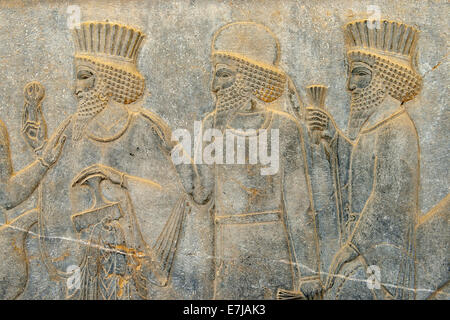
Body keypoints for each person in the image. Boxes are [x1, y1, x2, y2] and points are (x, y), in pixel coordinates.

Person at [192, 22, 321, 299]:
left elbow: (299, 207)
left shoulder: (284, 128)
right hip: (229, 250)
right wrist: (174, 153)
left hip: (273, 248)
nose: (214, 86)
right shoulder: (211, 126)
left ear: (249, 78)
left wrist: (309, 273)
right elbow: (202, 194)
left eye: (223, 75)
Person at [307, 19, 422, 299]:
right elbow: (361, 172)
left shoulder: (396, 125)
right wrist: (334, 137)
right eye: (351, 74)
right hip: (365, 244)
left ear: (386, 78)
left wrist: (353, 246)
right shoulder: (378, 124)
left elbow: (387, 198)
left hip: (380, 250)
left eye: (360, 74)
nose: (350, 85)